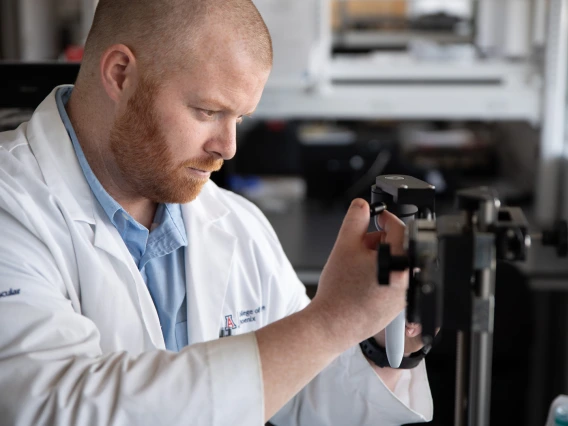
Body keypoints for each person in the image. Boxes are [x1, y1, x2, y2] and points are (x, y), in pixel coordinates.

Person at [0, 0, 432, 425]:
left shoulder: (234, 222)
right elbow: (51, 408)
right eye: (208, 111)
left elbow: (303, 391)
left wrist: (382, 336)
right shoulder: (12, 208)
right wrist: (331, 322)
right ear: (121, 74)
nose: (227, 148)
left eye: (240, 119)